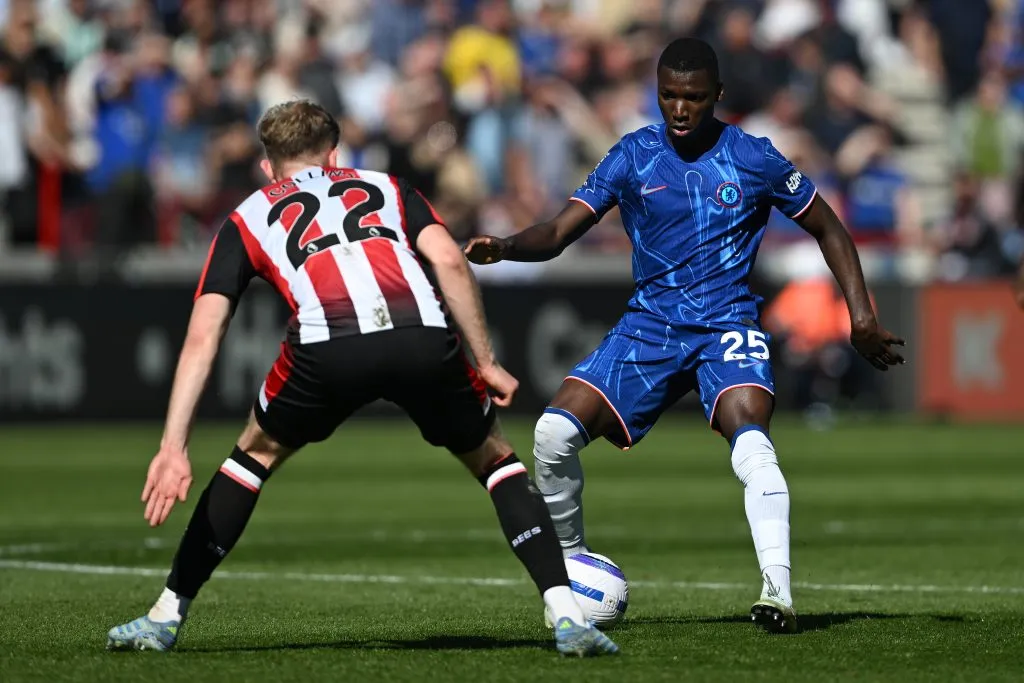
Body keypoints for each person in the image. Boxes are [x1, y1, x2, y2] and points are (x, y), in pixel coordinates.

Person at [105, 100, 618, 658]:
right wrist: (486, 360)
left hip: (328, 345)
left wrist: (173, 446)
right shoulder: (386, 185)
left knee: (252, 458)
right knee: (496, 461)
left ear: (267, 166)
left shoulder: (249, 214)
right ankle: (568, 618)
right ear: (334, 154)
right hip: (420, 332)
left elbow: (205, 333)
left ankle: (164, 616)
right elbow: (448, 259)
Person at [465, 38, 907, 634]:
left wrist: (860, 317)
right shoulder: (633, 156)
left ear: (717, 96)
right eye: (669, 95)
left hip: (727, 324)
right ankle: (570, 571)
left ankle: (778, 590)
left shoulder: (755, 157)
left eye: (693, 97)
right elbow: (562, 229)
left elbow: (828, 226)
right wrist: (510, 246)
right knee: (551, 434)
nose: (679, 108)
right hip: (650, 327)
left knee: (753, 445)